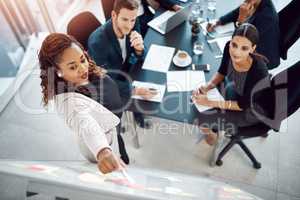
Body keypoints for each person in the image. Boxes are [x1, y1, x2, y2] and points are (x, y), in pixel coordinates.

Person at [38, 33, 127, 173]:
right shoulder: (68, 102)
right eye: (72, 67)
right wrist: (102, 150)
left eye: (82, 59)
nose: (82, 68)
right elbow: (84, 122)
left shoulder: (87, 72)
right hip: (100, 143)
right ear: (57, 72)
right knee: (118, 161)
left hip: (113, 128)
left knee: (121, 147)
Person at [192, 24, 278, 165]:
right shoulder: (227, 48)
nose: (236, 52)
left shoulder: (258, 71)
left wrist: (209, 102)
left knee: (200, 118)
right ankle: (216, 123)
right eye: (234, 45)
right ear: (231, 41)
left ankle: (212, 135)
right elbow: (222, 72)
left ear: (253, 48)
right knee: (201, 104)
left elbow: (242, 105)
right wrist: (207, 87)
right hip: (236, 91)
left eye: (244, 48)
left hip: (251, 109)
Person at [88, 0, 157, 128]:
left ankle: (138, 115)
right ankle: (120, 122)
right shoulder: (97, 42)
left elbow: (141, 53)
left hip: (126, 67)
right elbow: (103, 81)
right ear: (114, 15)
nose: (129, 26)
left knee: (151, 79)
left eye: (132, 20)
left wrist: (139, 49)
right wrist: (135, 90)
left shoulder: (133, 21)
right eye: (124, 20)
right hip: (110, 78)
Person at [207, 0, 280, 69]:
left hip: (262, 57)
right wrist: (218, 22)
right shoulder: (254, 2)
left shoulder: (267, 16)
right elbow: (236, 13)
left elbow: (241, 39)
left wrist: (241, 19)